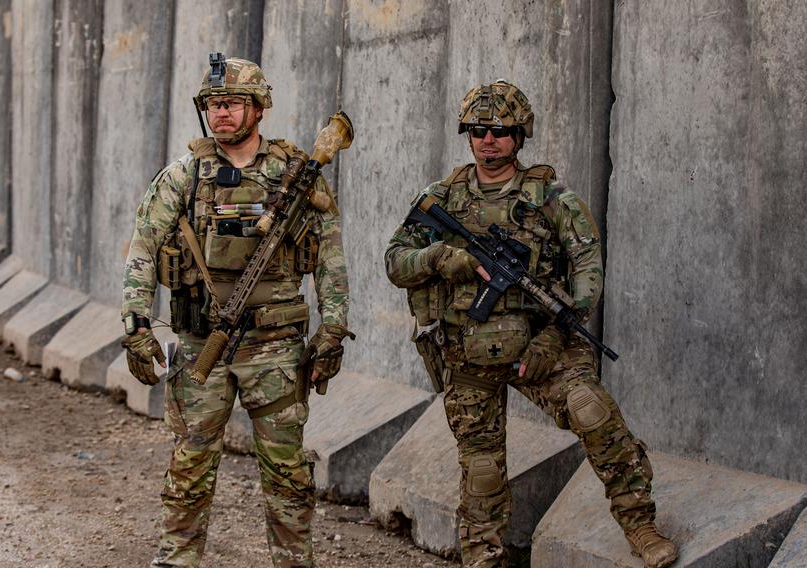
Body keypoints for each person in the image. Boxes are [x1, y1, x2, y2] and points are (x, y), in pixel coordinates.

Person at [384, 80, 678, 568]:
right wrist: (440, 257)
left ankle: (640, 524)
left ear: (519, 137)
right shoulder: (441, 199)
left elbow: (587, 272)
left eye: (501, 131)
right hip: (467, 351)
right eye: (478, 130)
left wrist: (555, 336)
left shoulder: (552, 199)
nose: (488, 140)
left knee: (591, 411)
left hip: (542, 343)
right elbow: (395, 261)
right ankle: (483, 557)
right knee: (480, 469)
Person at [120, 55, 352, 568]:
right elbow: (143, 245)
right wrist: (136, 323)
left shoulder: (295, 176)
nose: (220, 113)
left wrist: (334, 326)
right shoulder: (185, 175)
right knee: (189, 465)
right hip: (204, 339)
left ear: (258, 108)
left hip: (275, 346)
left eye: (231, 103)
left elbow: (330, 255)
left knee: (287, 473)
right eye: (213, 104)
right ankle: (177, 559)